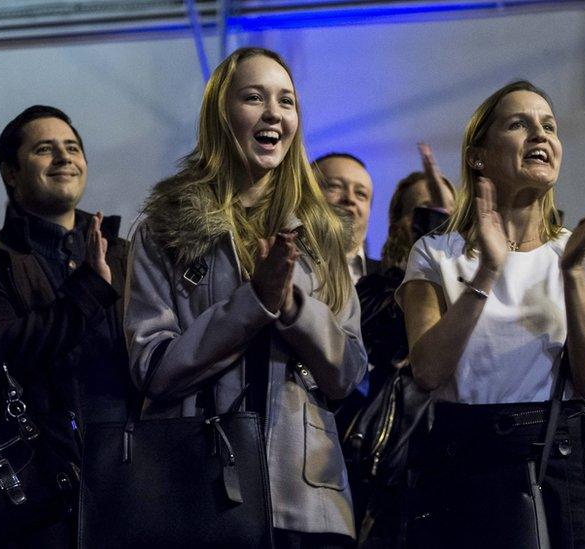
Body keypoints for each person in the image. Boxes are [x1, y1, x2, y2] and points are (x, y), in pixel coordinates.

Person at [124, 47, 367, 547]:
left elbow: (347, 374)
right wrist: (253, 303)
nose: (274, 113)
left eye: (287, 101)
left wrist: (295, 308)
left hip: (306, 502)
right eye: (254, 98)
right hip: (199, 491)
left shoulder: (322, 234)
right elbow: (155, 369)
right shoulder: (166, 230)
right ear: (220, 115)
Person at [398, 80, 585, 548]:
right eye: (519, 124)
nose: (541, 135)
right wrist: (488, 271)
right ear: (479, 155)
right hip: (463, 465)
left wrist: (571, 277)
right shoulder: (435, 253)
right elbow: (427, 370)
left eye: (549, 126)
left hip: (559, 464)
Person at [0, 105, 130, 545]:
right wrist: (90, 290)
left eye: (72, 148)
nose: (64, 158)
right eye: (45, 149)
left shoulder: (124, 254)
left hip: (130, 477)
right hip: (39, 492)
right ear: (11, 173)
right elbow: (7, 347)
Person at [347, 148, 456, 547]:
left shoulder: (484, 287)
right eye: (425, 212)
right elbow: (394, 325)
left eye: (448, 215)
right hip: (394, 474)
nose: (438, 223)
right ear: (396, 224)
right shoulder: (376, 288)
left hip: (463, 464)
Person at [315, 152, 377, 282]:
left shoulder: (393, 284)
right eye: (335, 186)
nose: (349, 198)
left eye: (360, 193)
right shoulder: (278, 266)